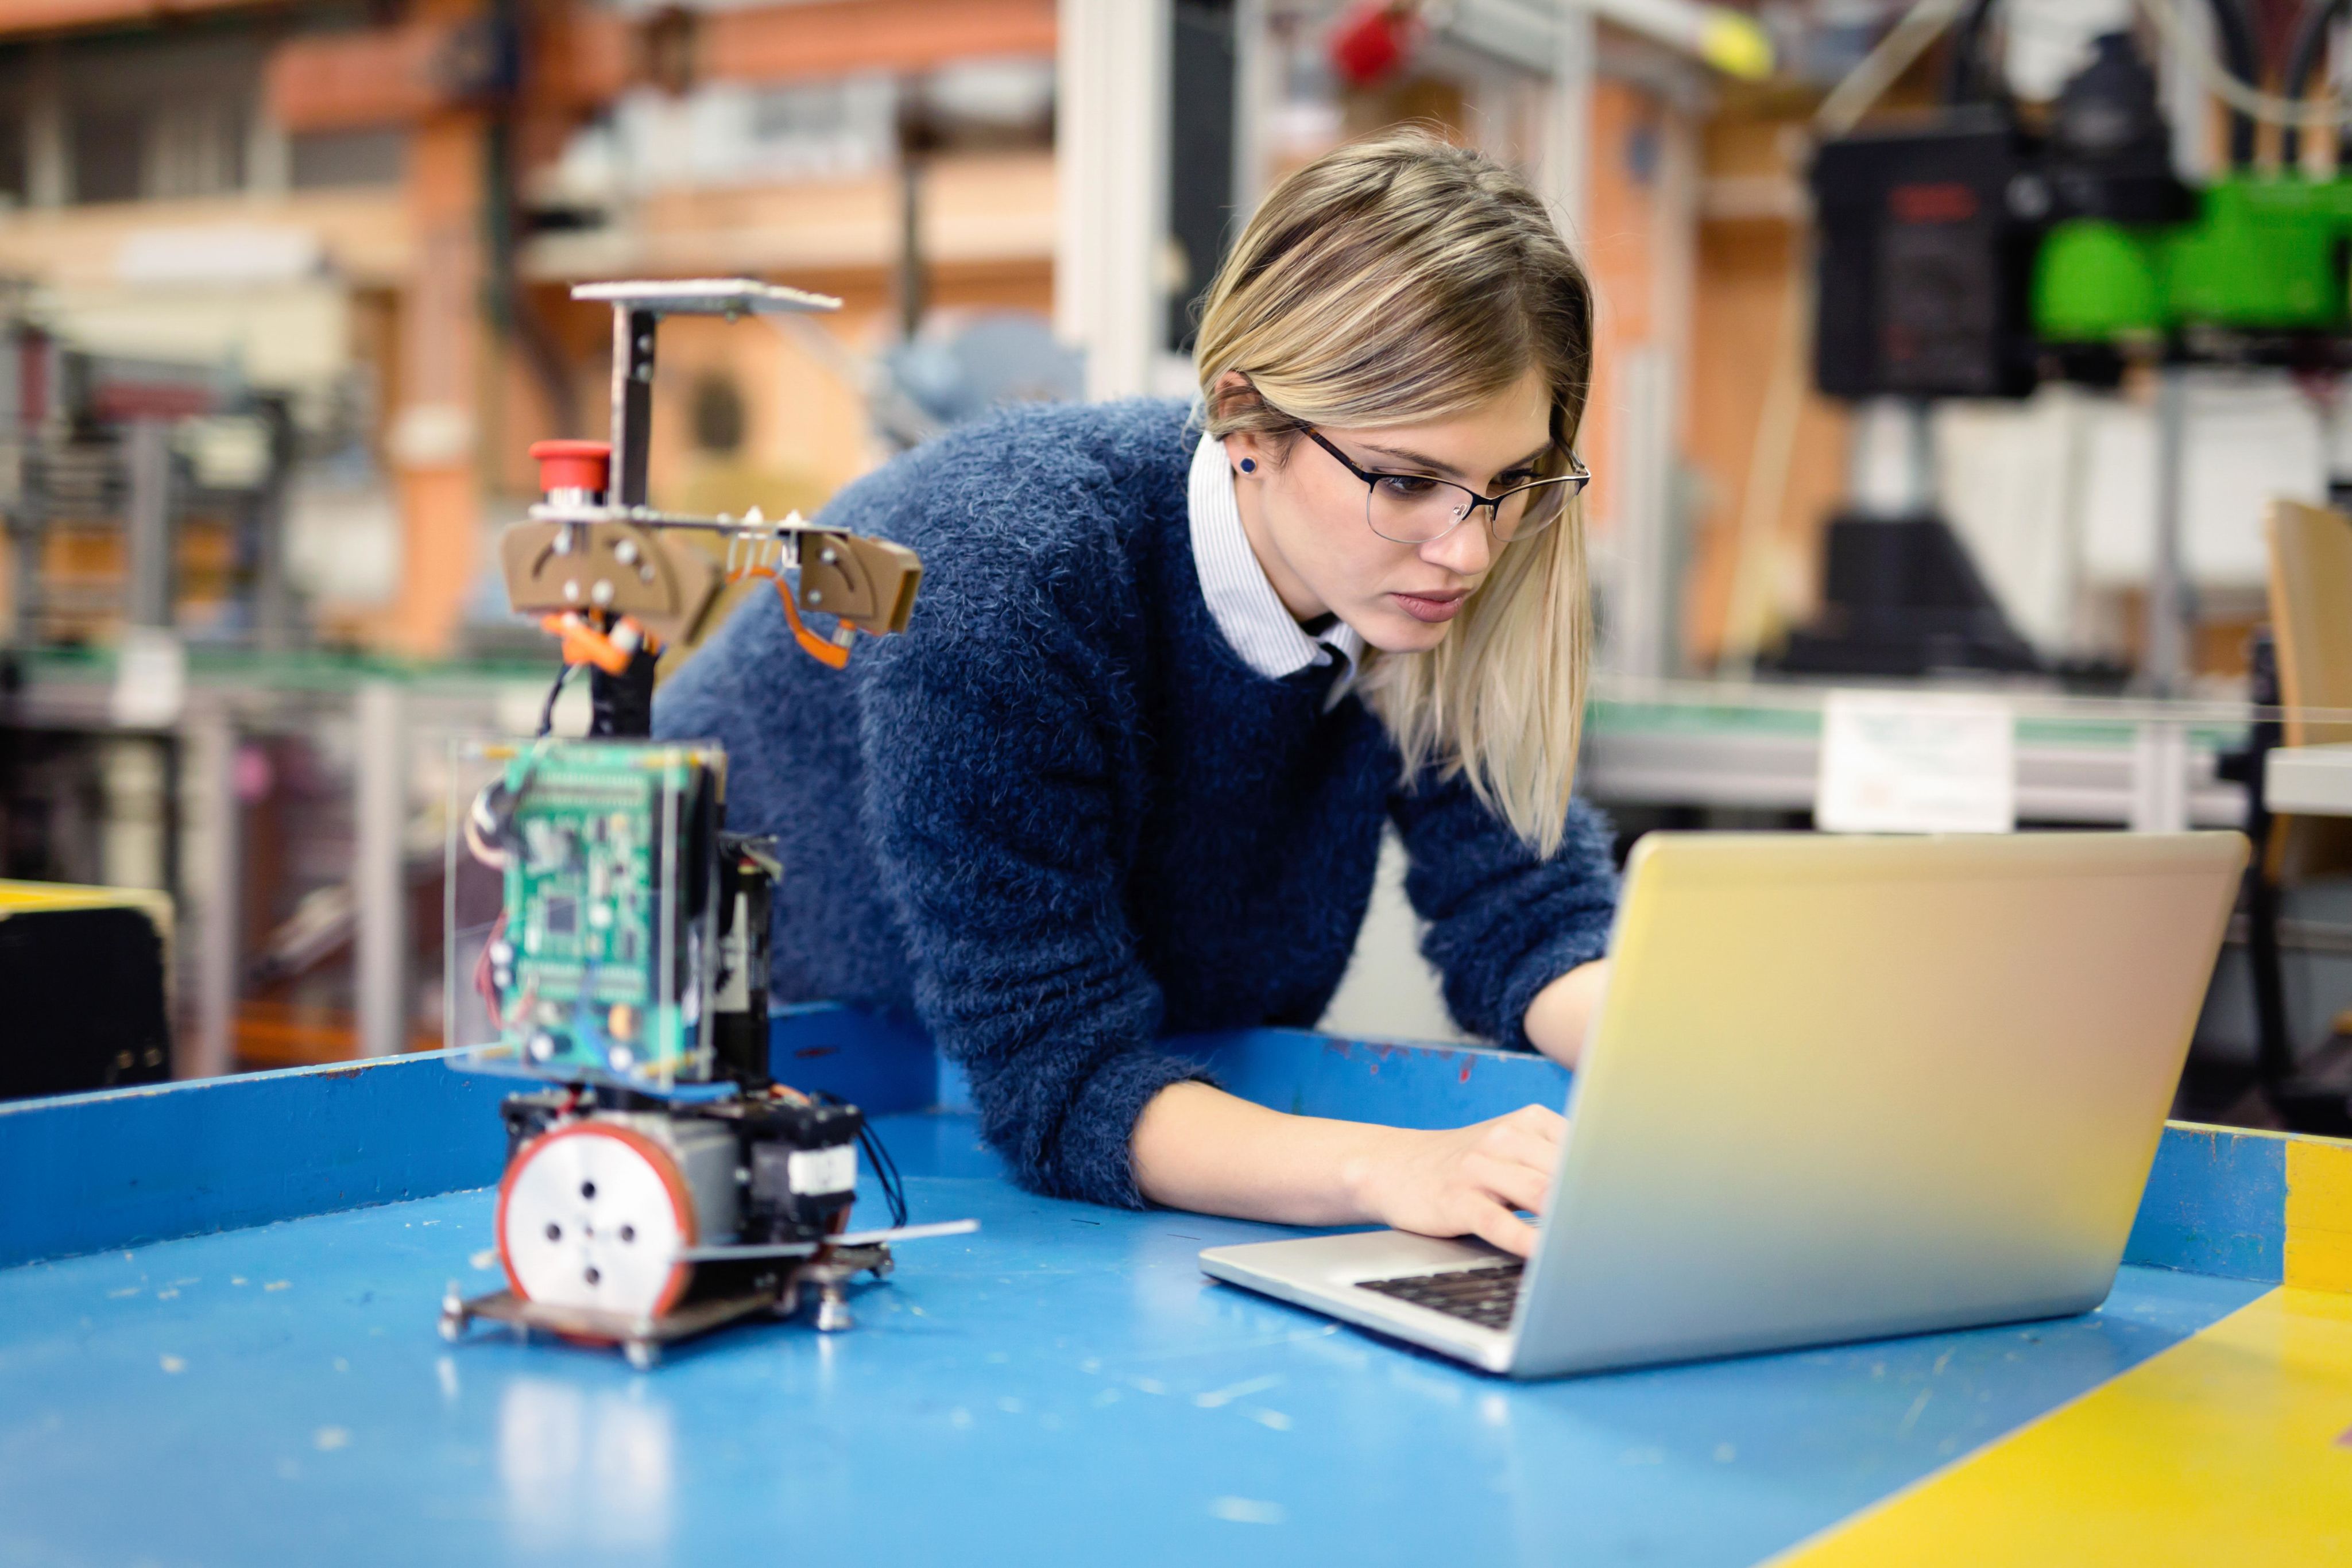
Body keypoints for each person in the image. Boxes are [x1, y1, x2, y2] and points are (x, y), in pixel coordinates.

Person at [655, 130, 1615, 1257]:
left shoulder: (1412, 581)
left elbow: (1527, 920)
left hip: (993, 1098)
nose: (1468, 549)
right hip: (694, 1059)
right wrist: (1403, 1166)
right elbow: (1063, 1081)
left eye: (1509, 485)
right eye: (1407, 481)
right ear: (1246, 418)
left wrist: (1709, 1076)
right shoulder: (1005, 578)